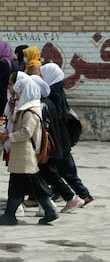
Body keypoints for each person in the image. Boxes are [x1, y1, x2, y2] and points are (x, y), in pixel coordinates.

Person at [0, 77, 59, 225]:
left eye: (18, 93)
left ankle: (10, 215)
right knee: (26, 184)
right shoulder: (25, 108)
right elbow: (14, 121)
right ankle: (47, 210)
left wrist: (9, 136)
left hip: (25, 152)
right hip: (20, 153)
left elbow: (26, 131)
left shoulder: (31, 111)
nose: (16, 96)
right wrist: (11, 108)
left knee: (23, 184)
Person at [40, 63, 94, 205]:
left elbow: (57, 115)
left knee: (66, 169)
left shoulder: (54, 93)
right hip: (59, 136)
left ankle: (84, 194)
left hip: (59, 137)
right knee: (55, 168)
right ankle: (58, 192)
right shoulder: (54, 90)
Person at [30, 74, 85, 214]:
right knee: (45, 174)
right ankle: (47, 203)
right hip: (51, 146)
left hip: (45, 147)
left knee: (49, 173)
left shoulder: (44, 103)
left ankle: (68, 198)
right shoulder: (49, 100)